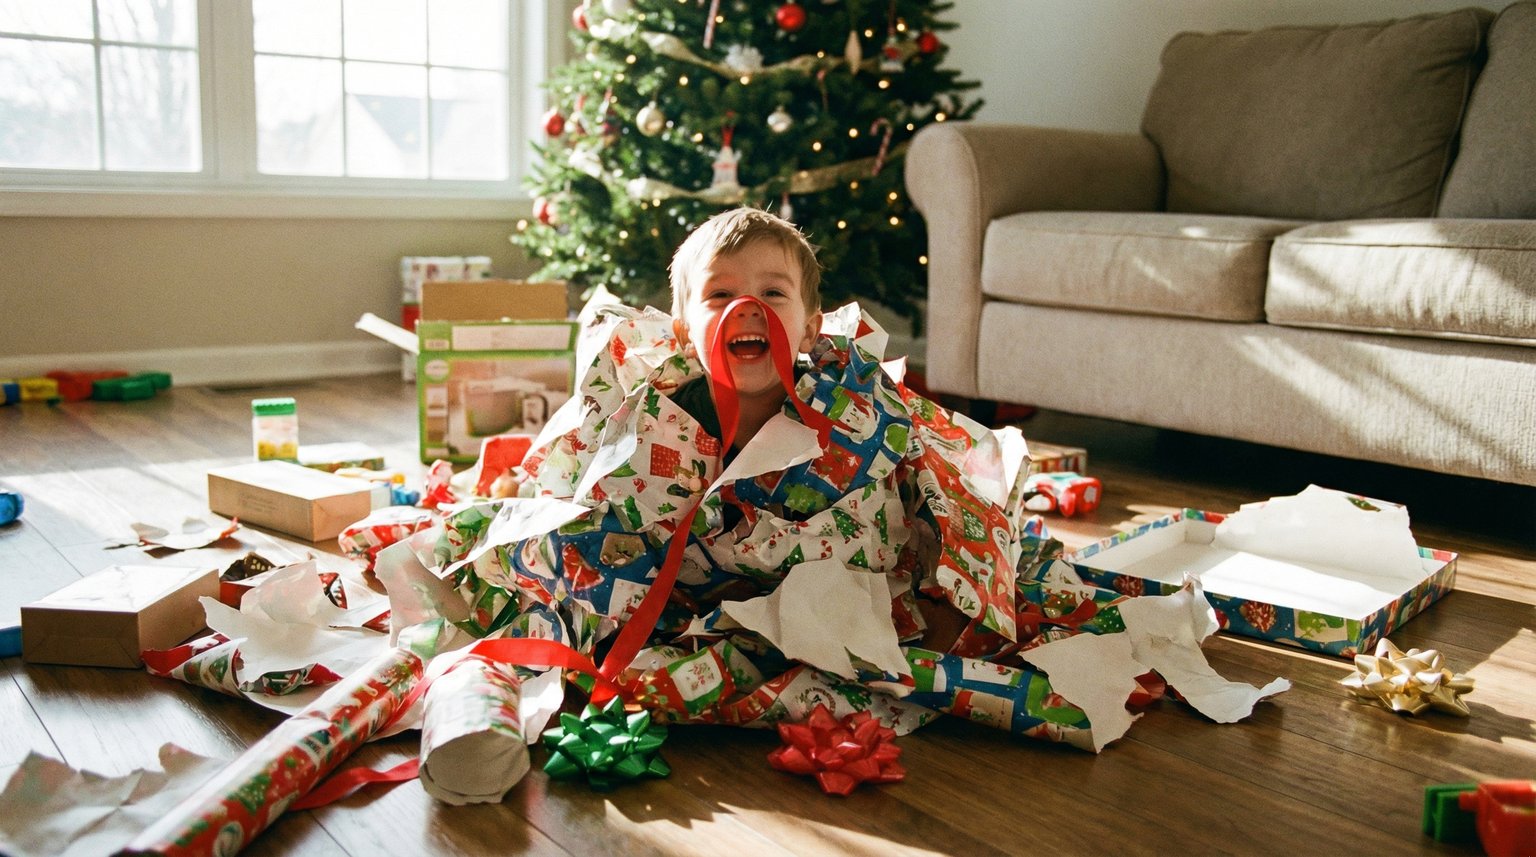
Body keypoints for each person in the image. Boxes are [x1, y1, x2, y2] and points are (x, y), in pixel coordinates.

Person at [440, 208, 1182, 750]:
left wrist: (948, 598)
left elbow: (925, 498)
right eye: (718, 294)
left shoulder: (854, 414)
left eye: (772, 290)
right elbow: (600, 509)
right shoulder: (654, 416)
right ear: (678, 328)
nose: (746, 305)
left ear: (812, 322)